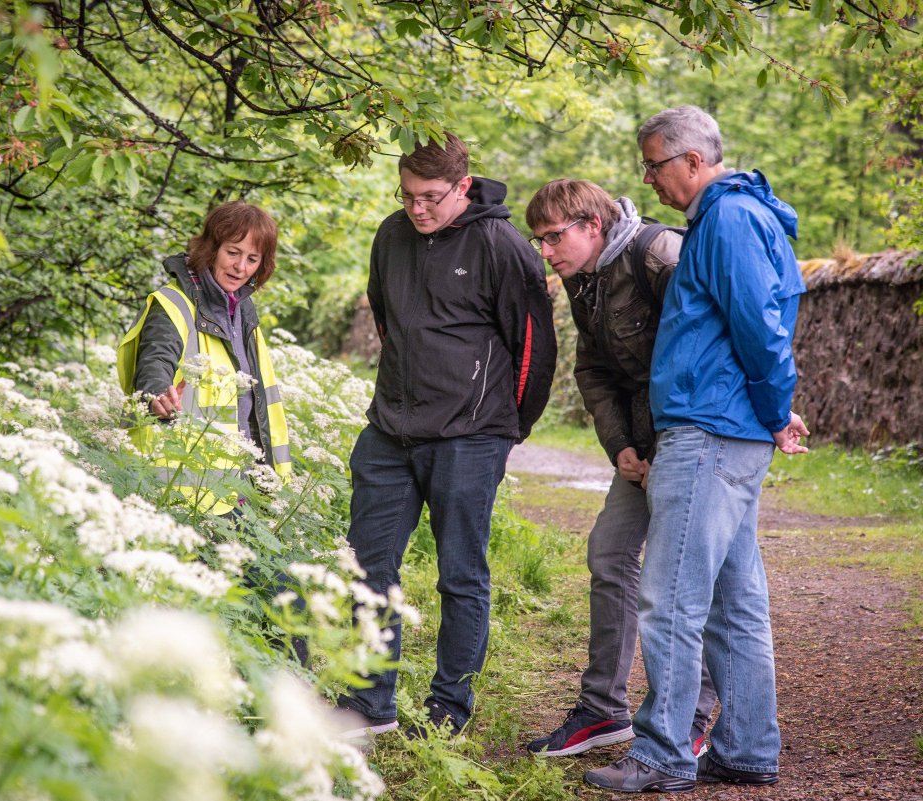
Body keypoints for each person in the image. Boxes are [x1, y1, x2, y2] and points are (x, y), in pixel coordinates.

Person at [584, 105, 810, 793]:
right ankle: (744, 746)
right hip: (724, 428)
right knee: (733, 600)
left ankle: (661, 752)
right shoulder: (724, 220)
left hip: (710, 430)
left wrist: (775, 410)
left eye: (654, 163)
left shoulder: (731, 220)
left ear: (692, 161)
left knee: (672, 597)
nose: (646, 178)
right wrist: (767, 413)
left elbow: (760, 328)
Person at [338, 132, 557, 739]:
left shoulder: (503, 246)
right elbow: (385, 316)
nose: (418, 209)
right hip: (389, 432)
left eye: (431, 197)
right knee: (366, 565)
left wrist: (507, 429)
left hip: (470, 436)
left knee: (460, 574)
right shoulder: (391, 234)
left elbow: (534, 349)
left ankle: (447, 710)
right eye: (407, 195)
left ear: (463, 186)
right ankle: (367, 704)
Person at [522, 179, 717, 759]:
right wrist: (622, 448)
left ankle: (694, 714)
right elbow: (595, 372)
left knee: (682, 574)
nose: (547, 251)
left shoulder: (658, 254)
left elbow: (713, 340)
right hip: (640, 448)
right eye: (539, 241)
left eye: (554, 237)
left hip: (696, 438)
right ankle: (603, 710)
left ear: (592, 225)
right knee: (609, 553)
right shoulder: (583, 282)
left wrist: (668, 444)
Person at [117, 199, 292, 511]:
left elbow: (255, 406)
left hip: (238, 492)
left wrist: (266, 484)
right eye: (233, 253)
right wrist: (157, 397)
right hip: (178, 495)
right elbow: (154, 362)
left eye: (253, 258)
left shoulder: (243, 311)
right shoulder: (173, 304)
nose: (241, 267)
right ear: (211, 249)